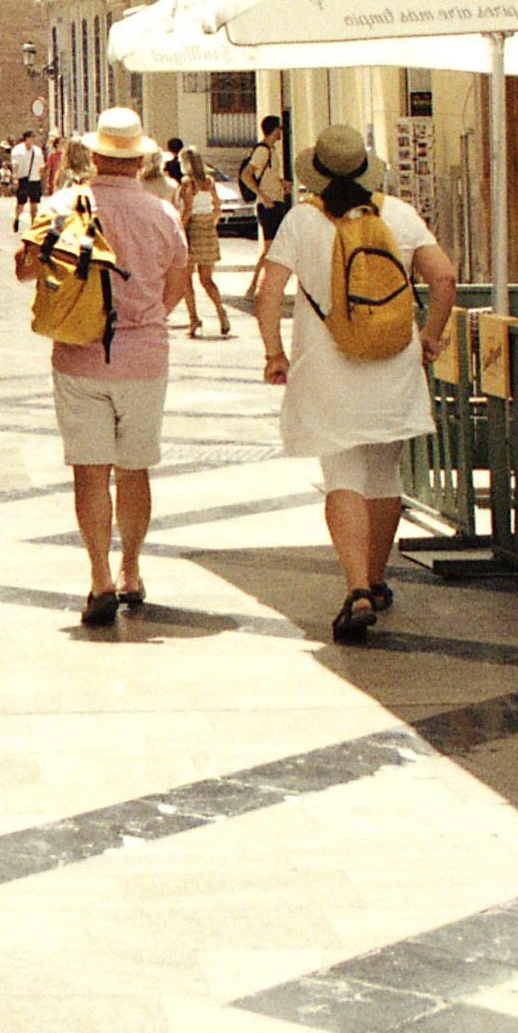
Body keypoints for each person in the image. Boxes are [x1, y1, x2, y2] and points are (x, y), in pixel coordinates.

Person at [253, 124, 457, 643]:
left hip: (328, 367)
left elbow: (267, 295)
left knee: (343, 473)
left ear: (316, 174)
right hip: (394, 362)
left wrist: (274, 352)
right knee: (384, 475)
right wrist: (430, 337)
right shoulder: (401, 215)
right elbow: (445, 277)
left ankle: (356, 587)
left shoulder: (301, 220)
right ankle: (378, 576)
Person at [18, 106, 187, 626]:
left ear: (93, 155)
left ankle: (99, 579)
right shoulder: (163, 214)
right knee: (134, 471)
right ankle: (131, 569)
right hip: (144, 358)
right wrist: (143, 319)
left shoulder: (62, 204)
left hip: (78, 355)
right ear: (139, 161)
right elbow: (176, 284)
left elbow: (26, 270)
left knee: (89, 475)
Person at [238, 113, 292, 303]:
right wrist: (263, 196)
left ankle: (264, 286)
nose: (280, 133)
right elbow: (247, 175)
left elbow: (267, 175)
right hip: (268, 205)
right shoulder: (263, 151)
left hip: (276, 202)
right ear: (274, 129)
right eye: (279, 129)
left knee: (275, 248)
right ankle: (254, 287)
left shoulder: (272, 150)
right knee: (270, 249)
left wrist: (281, 183)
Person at [177, 148, 231, 336]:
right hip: (207, 228)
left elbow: (188, 209)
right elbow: (217, 206)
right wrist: (212, 223)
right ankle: (221, 312)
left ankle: (193, 319)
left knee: (186, 278)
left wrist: (180, 230)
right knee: (206, 279)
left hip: (192, 229)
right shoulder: (209, 182)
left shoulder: (187, 182)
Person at [10, 133, 45, 227]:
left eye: (33, 138)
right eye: (30, 138)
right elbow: (15, 166)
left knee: (34, 205)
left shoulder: (37, 151)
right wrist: (15, 178)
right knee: (21, 203)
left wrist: (41, 178)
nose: (32, 140)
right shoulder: (18, 150)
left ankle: (33, 224)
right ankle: (17, 218)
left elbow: (41, 165)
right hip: (23, 179)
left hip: (35, 179)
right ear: (26, 139)